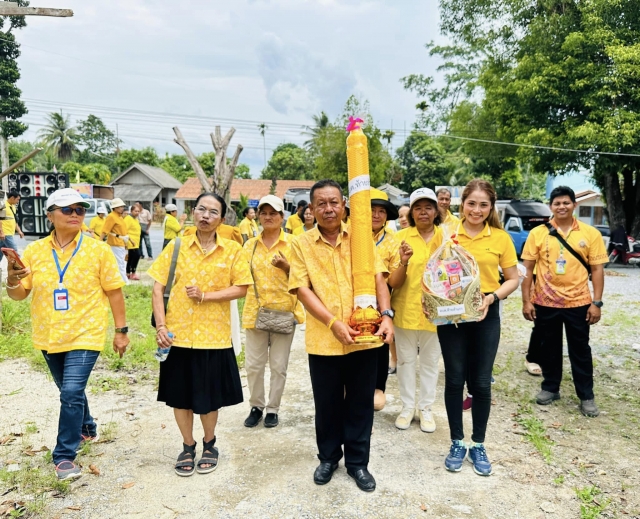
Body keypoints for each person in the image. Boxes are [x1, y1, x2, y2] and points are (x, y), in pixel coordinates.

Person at [5, 188, 128, 481]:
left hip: (87, 331)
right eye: (67, 209)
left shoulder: (98, 250)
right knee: (69, 390)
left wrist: (121, 331)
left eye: (80, 210)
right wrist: (11, 279)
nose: (75, 214)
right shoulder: (34, 251)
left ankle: (64, 456)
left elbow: (114, 292)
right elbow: (19, 294)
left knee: (71, 391)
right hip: (49, 333)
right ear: (50, 215)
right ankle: (87, 427)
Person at [289, 179, 394, 493]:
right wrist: (332, 322)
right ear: (311, 209)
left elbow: (379, 279)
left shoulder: (361, 239)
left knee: (361, 403)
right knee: (327, 404)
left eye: (334, 202)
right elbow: (302, 289)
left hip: (365, 337)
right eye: (321, 203)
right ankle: (328, 457)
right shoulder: (301, 243)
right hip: (324, 340)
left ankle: (358, 463)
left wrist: (387, 315)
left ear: (344, 205)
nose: (328, 208)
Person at [148, 193, 252, 477]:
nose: (206, 216)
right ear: (193, 212)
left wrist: (207, 296)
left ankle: (209, 443)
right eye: (201, 209)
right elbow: (158, 288)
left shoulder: (232, 250)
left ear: (222, 219)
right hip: (177, 334)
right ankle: (187, 445)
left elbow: (242, 287)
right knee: (179, 397)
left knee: (208, 397)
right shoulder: (176, 246)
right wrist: (161, 326)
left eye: (213, 212)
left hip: (213, 336)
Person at [433, 179, 519, 477]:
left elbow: (512, 279)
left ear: (491, 207)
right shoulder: (447, 234)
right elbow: (433, 273)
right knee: (455, 379)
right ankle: (457, 442)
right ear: (463, 204)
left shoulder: (500, 238)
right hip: (452, 316)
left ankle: (478, 444)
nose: (477, 210)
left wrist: (492, 297)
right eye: (471, 203)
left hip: (486, 315)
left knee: (481, 383)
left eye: (484, 205)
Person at [521, 186, 607, 418]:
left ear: (574, 205)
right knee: (548, 347)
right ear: (551, 206)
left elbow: (597, 270)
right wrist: (527, 301)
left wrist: (597, 303)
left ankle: (586, 396)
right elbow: (527, 269)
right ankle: (550, 387)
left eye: (566, 203)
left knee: (580, 349)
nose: (562, 207)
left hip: (579, 302)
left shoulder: (590, 233)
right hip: (545, 302)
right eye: (557, 203)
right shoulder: (538, 233)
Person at [242, 195, 305, 429]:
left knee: (279, 366)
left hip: (284, 312)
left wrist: (287, 267)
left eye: (273, 213)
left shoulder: (294, 243)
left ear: (282, 216)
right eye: (264, 213)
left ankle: (273, 409)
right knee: (254, 365)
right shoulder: (250, 245)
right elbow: (240, 276)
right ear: (258, 216)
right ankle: (256, 406)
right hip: (255, 312)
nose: (268, 217)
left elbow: (305, 277)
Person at [388, 188, 443, 432]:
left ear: (436, 211)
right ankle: (407, 407)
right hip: (406, 309)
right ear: (411, 212)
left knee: (430, 363)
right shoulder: (400, 238)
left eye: (428, 207)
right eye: (418, 208)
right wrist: (404, 260)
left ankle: (426, 409)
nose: (423, 212)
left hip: (437, 312)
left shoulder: (447, 238)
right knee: (406, 361)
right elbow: (392, 280)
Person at [369, 188, 400, 410]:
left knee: (379, 345)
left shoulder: (393, 241)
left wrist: (405, 262)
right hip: (351, 300)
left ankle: (377, 387)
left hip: (381, 303)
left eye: (382, 211)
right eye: (372, 210)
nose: (376, 215)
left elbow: (394, 280)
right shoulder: (349, 235)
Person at [101, 198, 129, 283]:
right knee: (120, 262)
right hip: (115, 243)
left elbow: (123, 231)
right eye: (120, 207)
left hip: (122, 242)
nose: (122, 208)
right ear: (115, 208)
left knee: (122, 262)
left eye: (122, 206)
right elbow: (105, 230)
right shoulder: (111, 217)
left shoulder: (120, 217)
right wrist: (99, 241)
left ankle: (120, 279)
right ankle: (124, 281)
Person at [125, 205, 142, 280]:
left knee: (131, 258)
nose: (137, 213)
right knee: (136, 255)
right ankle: (133, 273)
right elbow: (124, 230)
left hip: (136, 242)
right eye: (135, 211)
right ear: (131, 211)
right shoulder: (128, 218)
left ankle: (128, 273)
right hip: (131, 242)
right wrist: (130, 240)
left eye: (138, 211)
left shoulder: (136, 219)